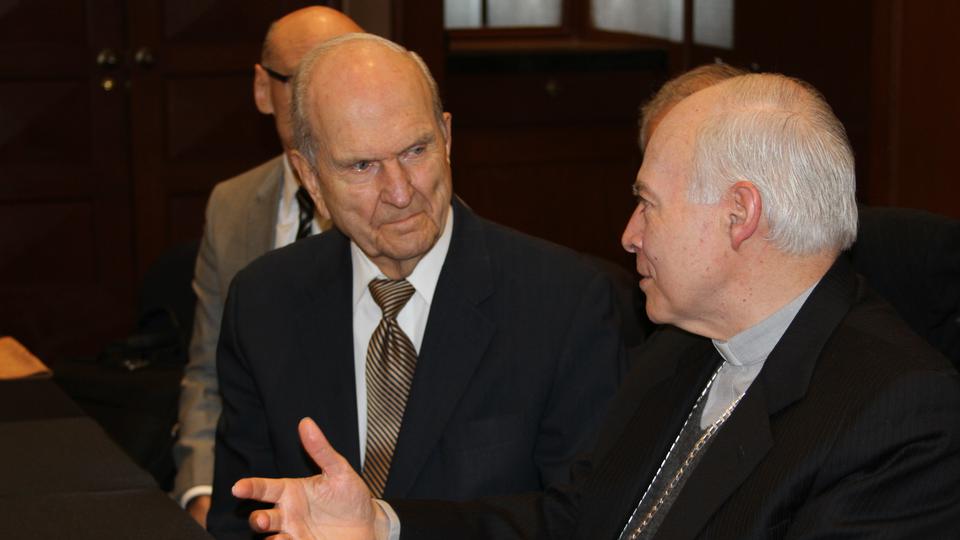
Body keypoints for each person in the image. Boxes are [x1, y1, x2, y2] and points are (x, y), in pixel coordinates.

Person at [232, 73, 960, 538]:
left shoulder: (901, 418)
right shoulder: (678, 352)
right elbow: (573, 519)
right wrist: (383, 524)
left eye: (648, 203)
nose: (629, 235)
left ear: (739, 216)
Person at [207, 33, 625, 537]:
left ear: (447, 138)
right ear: (310, 177)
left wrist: (389, 527)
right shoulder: (263, 303)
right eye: (362, 166)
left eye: (416, 150)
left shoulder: (564, 302)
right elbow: (241, 517)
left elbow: (583, 520)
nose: (401, 192)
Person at [172, 6, 363, 527]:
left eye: (343, 75)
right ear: (263, 89)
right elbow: (207, 370)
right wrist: (200, 492)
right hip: (251, 495)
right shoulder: (231, 206)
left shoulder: (395, 211)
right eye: (303, 77)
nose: (324, 99)